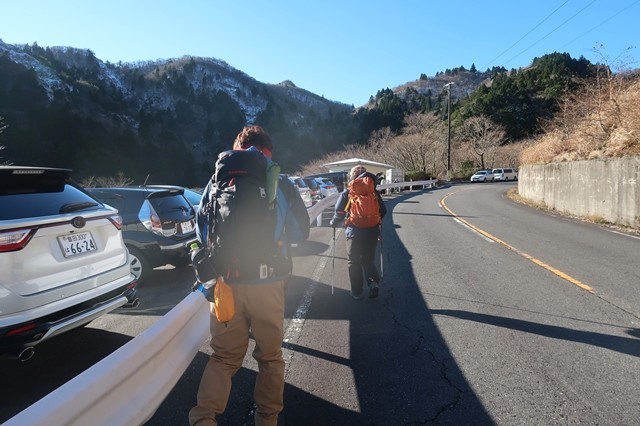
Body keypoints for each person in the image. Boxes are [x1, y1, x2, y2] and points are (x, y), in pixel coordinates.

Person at [189, 125, 310, 426]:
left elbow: (202, 230)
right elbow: (300, 232)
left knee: (224, 358)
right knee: (269, 358)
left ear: (237, 148)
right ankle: (266, 421)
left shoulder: (217, 181)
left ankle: (203, 420)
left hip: (225, 283)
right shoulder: (280, 182)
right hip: (268, 283)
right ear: (269, 151)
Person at [330, 165, 387, 300]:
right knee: (368, 259)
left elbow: (339, 211)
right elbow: (383, 211)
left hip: (354, 232)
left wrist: (334, 222)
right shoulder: (373, 191)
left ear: (352, 176)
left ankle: (356, 292)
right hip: (372, 231)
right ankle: (373, 283)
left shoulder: (349, 191)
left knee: (353, 261)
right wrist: (373, 220)